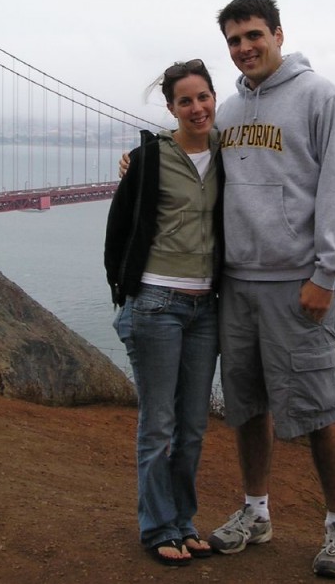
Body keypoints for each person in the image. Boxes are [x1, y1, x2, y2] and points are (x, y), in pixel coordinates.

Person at [206, 0, 335, 578]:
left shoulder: (320, 97)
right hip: (236, 284)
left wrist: (326, 273)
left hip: (297, 285)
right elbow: (200, 173)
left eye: (253, 36)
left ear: (278, 33)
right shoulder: (225, 111)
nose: (244, 48)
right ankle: (256, 512)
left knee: (319, 409)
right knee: (246, 407)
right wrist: (138, 164)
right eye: (233, 41)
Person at [103, 59, 224, 567]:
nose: (196, 108)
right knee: (159, 423)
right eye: (185, 101)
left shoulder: (229, 152)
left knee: (193, 425)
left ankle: (184, 521)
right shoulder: (150, 157)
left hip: (207, 305)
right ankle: (157, 528)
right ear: (171, 108)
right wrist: (121, 289)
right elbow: (118, 228)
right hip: (157, 302)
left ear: (215, 98)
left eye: (203, 97)